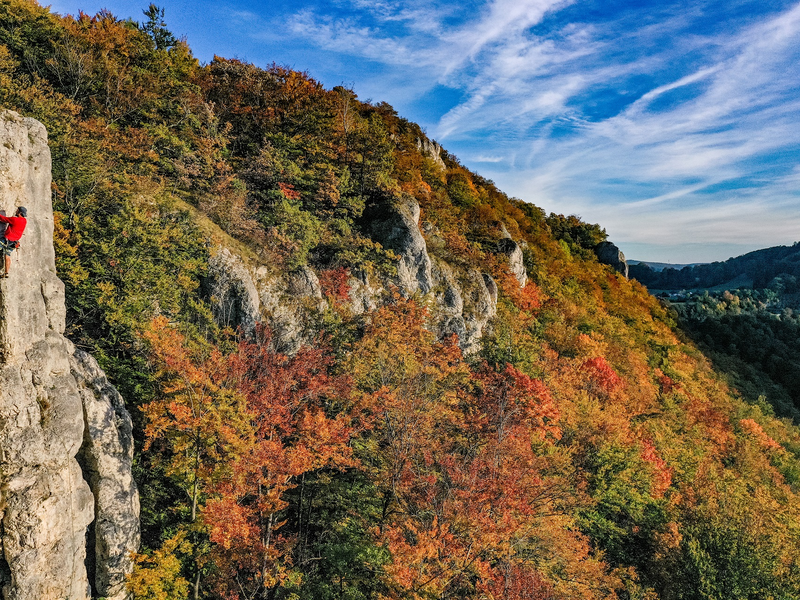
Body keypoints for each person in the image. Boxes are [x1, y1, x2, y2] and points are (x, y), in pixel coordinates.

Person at [0, 207, 27, 278]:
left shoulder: (14, 220)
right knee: (7, 255)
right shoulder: (24, 221)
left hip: (7, 240)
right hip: (14, 242)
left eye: (17, 211)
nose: (16, 211)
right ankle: (6, 272)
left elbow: (3, 219)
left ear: (20, 213)